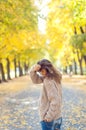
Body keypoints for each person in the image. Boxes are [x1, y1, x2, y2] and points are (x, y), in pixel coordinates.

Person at [29, 59, 62, 130]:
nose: (41, 73)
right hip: (58, 117)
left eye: (42, 71)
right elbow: (35, 80)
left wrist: (48, 117)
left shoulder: (48, 81)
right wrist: (33, 70)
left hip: (49, 119)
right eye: (40, 71)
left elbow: (55, 100)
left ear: (48, 69)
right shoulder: (55, 77)